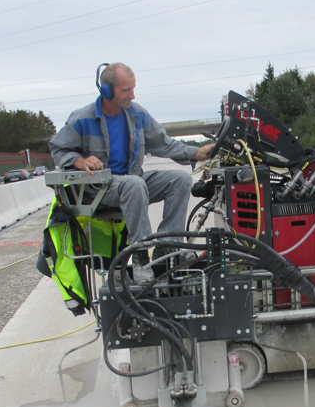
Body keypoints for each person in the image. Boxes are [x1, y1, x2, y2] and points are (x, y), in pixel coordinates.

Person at [49, 62, 214, 284]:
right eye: (126, 90)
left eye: (133, 88)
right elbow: (59, 150)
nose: (132, 95)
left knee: (180, 179)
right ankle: (140, 256)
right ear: (107, 90)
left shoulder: (137, 115)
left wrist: (197, 153)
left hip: (133, 180)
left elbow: (164, 144)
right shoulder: (82, 118)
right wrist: (79, 161)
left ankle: (167, 247)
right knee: (134, 184)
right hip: (100, 189)